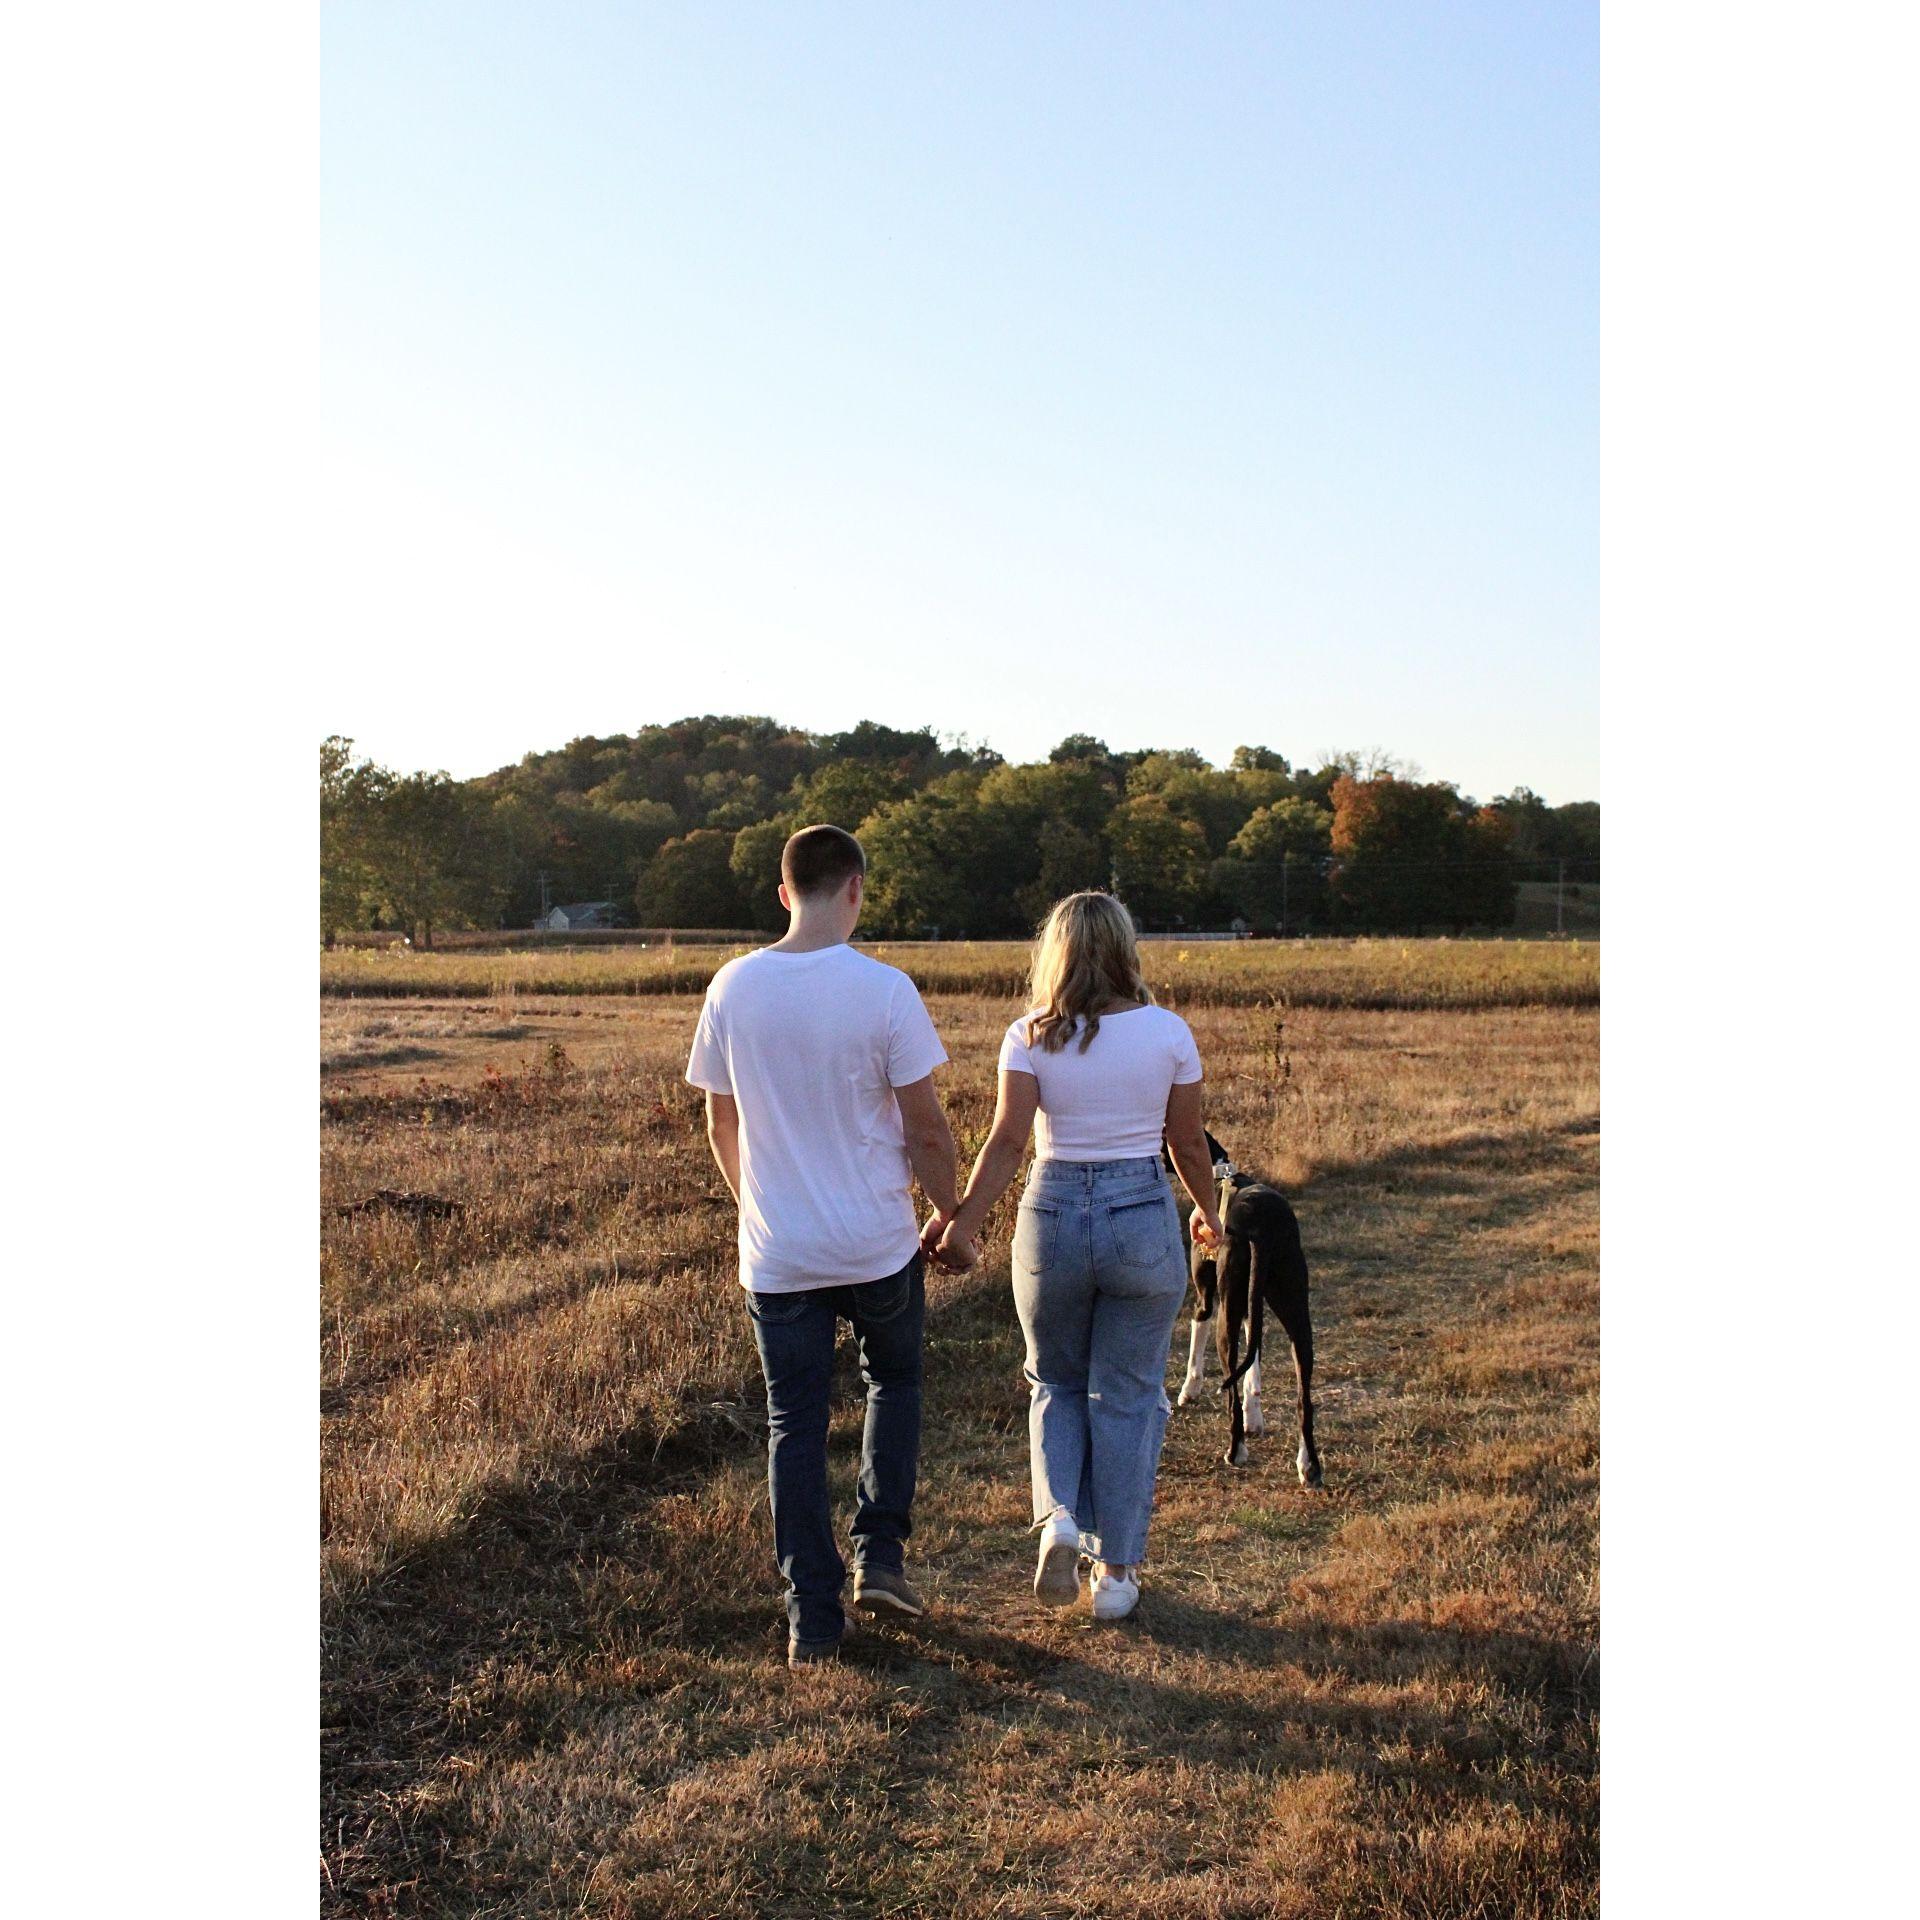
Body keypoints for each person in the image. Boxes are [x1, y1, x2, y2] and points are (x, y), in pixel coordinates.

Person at [686, 824, 972, 1668]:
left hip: (778, 1256)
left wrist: (756, 1208)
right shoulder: (885, 990)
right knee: (895, 1380)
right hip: (877, 1243)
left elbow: (719, 1117)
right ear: (856, 888)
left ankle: (810, 1614)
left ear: (784, 893)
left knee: (794, 1422)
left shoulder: (732, 986)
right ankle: (880, 1553)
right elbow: (924, 1129)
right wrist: (953, 1216)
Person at [930, 891, 1223, 1622]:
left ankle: (1059, 1517)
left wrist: (963, 1224)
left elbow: (1006, 1141)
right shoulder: (1168, 1032)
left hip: (1052, 1213)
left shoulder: (1028, 1035)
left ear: (1053, 953)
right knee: (1126, 1394)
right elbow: (1186, 1144)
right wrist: (1210, 1215)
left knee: (1055, 1382)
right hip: (1138, 1214)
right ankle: (1117, 1576)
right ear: (1126, 950)